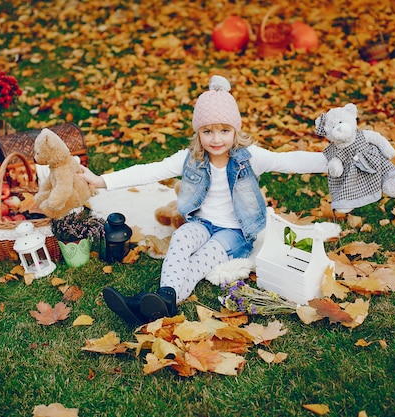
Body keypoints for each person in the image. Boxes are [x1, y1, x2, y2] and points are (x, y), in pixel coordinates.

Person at [78, 75, 328, 326]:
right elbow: (150, 170)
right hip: (202, 223)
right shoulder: (190, 159)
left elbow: (287, 161)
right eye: (207, 131)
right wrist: (102, 181)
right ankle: (163, 300)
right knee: (181, 238)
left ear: (235, 130)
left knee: (202, 258)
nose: (216, 139)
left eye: (224, 131)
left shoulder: (249, 157)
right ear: (198, 133)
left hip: (235, 232)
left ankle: (156, 300)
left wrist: (329, 161)